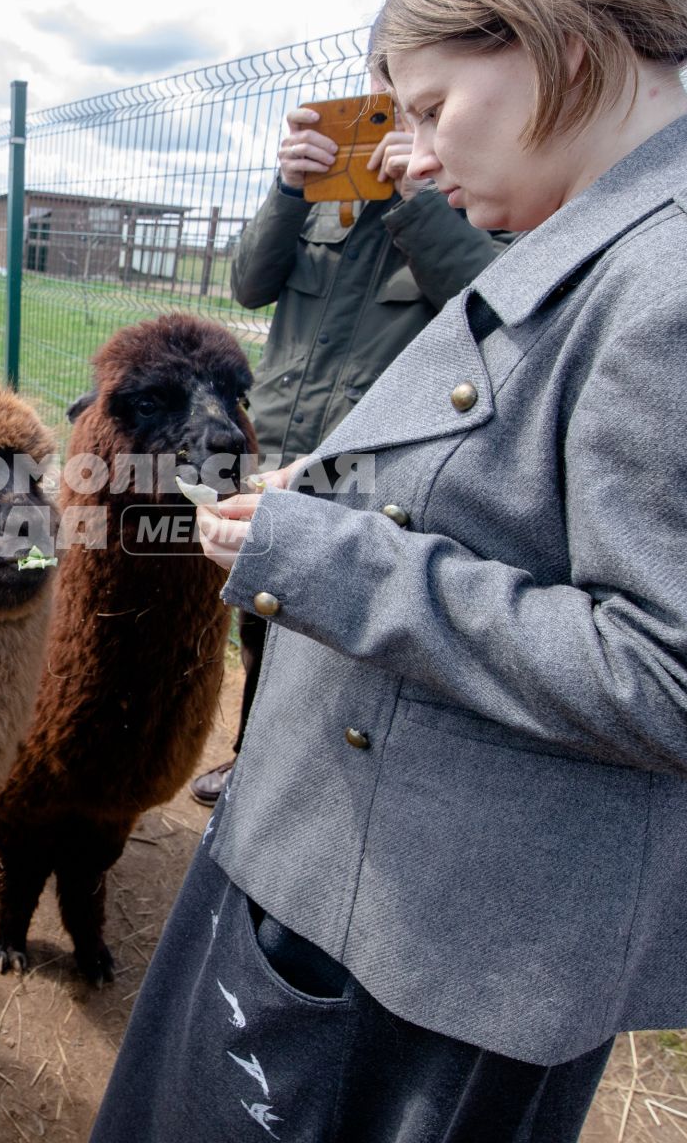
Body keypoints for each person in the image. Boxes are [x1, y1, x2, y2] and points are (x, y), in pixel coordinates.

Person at [93, 0, 687, 1139]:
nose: (407, 152)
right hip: (351, 881)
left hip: (432, 955)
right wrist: (346, 493)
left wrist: (338, 560)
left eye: (429, 105)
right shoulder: (597, 250)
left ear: (556, 42)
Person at [189, 97, 507, 807]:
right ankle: (254, 759)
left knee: (339, 628)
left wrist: (419, 204)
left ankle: (321, 784)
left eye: (416, 106)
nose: (390, 123)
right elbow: (247, 284)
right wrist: (289, 190)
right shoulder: (322, 200)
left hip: (371, 466)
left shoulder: (468, 197)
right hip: (275, 443)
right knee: (261, 618)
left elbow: (489, 307)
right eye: (380, 96)